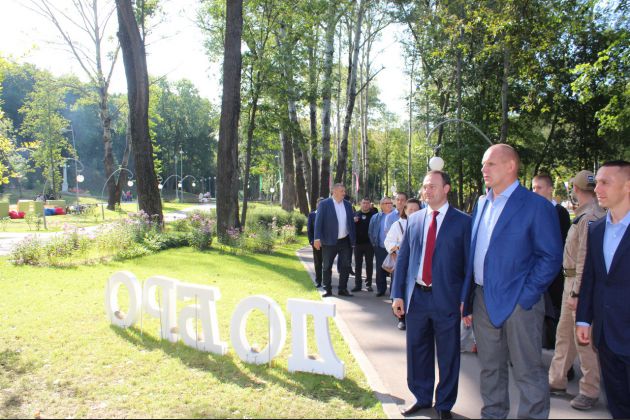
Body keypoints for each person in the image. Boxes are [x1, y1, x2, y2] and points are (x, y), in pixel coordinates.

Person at [460, 144, 563, 419]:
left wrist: (526, 296)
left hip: (520, 301)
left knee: (527, 369)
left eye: (490, 164)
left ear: (510, 166)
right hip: (483, 298)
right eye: (483, 164)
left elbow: (551, 256)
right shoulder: (481, 203)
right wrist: (467, 299)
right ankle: (493, 414)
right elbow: (474, 253)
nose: (484, 169)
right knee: (489, 367)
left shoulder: (536, 206)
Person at [392, 172, 471, 420]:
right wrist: (397, 295)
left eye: (433, 186)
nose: (427, 191)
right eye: (425, 186)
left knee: (448, 354)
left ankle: (444, 404)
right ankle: (421, 397)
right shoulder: (414, 219)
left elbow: (469, 266)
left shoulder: (463, 222)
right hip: (417, 298)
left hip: (446, 299)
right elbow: (403, 259)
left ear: (446, 188)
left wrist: (465, 300)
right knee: (417, 351)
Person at [576, 160, 630, 419]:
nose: (597, 188)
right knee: (618, 404)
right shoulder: (596, 229)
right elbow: (591, 277)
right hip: (606, 335)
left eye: (605, 182)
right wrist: (583, 319)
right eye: (597, 182)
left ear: (627, 186)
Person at [548, 170, 604, 410]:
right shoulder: (585, 214)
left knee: (584, 341)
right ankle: (556, 380)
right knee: (565, 335)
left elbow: (584, 259)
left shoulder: (590, 217)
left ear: (577, 189)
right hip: (570, 281)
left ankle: (590, 390)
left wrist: (577, 293)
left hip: (577, 283)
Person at [533, 174, 572, 350]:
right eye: (533, 188)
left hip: (555, 272)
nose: (535, 191)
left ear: (550, 189)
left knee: (555, 310)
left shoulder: (560, 213)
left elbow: (560, 244)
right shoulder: (534, 210)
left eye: (539, 187)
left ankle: (558, 350)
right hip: (537, 270)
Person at [314, 184, 356, 298]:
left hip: (345, 241)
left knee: (345, 266)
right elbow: (318, 222)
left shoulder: (347, 204)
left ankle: (342, 289)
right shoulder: (324, 204)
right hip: (329, 241)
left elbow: (351, 223)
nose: (344, 193)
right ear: (334, 192)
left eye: (344, 191)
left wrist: (353, 240)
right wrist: (317, 238)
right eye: (342, 191)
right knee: (327, 266)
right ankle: (327, 289)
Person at [385, 198, 421, 330]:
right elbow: (388, 242)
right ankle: (401, 318)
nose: (413, 212)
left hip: (418, 265)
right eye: (410, 209)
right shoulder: (398, 225)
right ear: (405, 210)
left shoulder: (423, 224)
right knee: (400, 288)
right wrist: (398, 248)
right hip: (401, 263)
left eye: (416, 210)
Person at [368, 197, 394, 297]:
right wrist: (374, 245)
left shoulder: (397, 215)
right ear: (381, 205)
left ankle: (393, 291)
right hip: (380, 247)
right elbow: (370, 231)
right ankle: (381, 289)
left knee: (394, 270)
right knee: (380, 269)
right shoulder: (375, 217)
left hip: (393, 248)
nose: (389, 205)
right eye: (387, 203)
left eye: (390, 203)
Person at [352, 197, 378, 292]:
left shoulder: (374, 215)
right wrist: (353, 221)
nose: (365, 205)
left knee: (369, 264)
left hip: (369, 244)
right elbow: (350, 227)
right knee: (357, 265)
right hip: (358, 244)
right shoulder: (355, 214)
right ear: (360, 203)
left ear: (370, 204)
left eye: (367, 203)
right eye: (364, 203)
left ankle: (368, 284)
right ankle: (357, 285)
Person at [307, 197, 325, 287]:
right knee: (318, 263)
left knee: (327, 264)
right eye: (319, 203)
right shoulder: (312, 215)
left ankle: (326, 282)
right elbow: (309, 229)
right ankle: (318, 281)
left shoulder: (328, 215)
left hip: (327, 244)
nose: (321, 205)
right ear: (317, 204)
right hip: (316, 243)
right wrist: (311, 241)